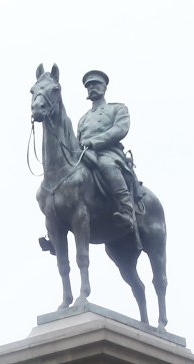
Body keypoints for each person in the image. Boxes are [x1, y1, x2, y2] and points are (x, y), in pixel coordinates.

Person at [77, 70, 139, 239]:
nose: (92, 88)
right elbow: (78, 141)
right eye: (88, 86)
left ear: (104, 87)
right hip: (84, 155)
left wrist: (93, 142)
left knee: (107, 165)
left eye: (95, 84)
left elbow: (120, 129)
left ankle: (126, 211)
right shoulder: (83, 119)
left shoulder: (118, 108)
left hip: (109, 153)